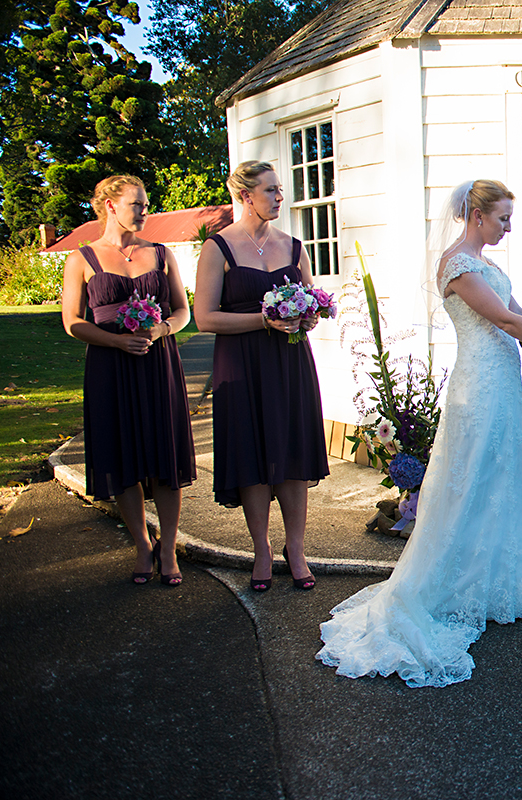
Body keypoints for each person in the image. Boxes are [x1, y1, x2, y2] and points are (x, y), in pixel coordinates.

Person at [317, 179, 522, 686]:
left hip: (502, 383)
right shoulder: (459, 265)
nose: (508, 227)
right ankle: (456, 584)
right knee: (473, 480)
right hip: (479, 387)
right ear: (476, 214)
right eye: (503, 218)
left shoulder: (487, 264)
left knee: (503, 476)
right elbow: (505, 320)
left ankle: (499, 580)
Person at [194, 160, 329, 592]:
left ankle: (297, 549)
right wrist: (264, 320)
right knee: (251, 452)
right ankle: (262, 550)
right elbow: (204, 318)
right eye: (270, 190)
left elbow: (311, 304)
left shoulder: (293, 246)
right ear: (245, 195)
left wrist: (308, 317)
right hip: (241, 363)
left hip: (289, 362)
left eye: (279, 189)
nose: (279, 197)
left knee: (292, 452)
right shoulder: (218, 247)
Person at [61, 175, 195, 587]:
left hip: (158, 366)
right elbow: (72, 322)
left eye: (146, 204)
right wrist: (117, 342)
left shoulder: (161, 254)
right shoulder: (81, 259)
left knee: (165, 456)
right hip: (110, 369)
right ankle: (141, 544)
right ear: (110, 205)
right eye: (137, 204)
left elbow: (182, 311)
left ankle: (168, 547)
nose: (144, 211)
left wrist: (161, 330)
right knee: (123, 457)